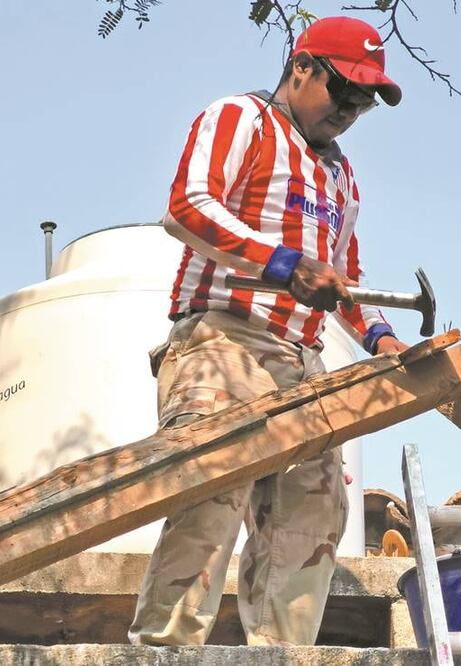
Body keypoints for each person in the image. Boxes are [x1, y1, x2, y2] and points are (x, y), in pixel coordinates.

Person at [129, 16, 410, 647]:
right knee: (211, 491)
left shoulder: (341, 177)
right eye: (344, 91)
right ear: (301, 67)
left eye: (364, 102)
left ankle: (281, 654)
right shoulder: (242, 119)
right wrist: (283, 264)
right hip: (224, 342)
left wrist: (381, 338)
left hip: (301, 362)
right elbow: (186, 207)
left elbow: (345, 277)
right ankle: (165, 651)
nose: (350, 110)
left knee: (314, 513)